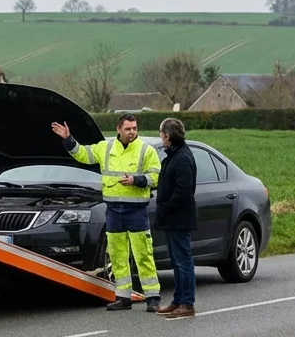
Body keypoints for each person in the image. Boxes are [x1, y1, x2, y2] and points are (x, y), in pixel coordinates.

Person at [50, 114, 163, 311]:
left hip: (136, 210)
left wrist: (137, 180)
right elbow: (83, 154)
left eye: (135, 128)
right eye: (128, 129)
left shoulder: (147, 151)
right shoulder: (106, 147)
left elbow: (156, 177)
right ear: (118, 129)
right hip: (113, 211)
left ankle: (153, 298)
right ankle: (123, 297)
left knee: (143, 254)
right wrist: (68, 139)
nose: (132, 132)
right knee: (117, 255)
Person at [154, 117, 197, 317]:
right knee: (176, 261)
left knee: (183, 261)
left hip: (179, 217)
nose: (160, 138)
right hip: (171, 218)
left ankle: (187, 303)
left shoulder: (183, 158)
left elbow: (183, 191)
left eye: (161, 134)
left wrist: (167, 207)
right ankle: (178, 300)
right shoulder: (173, 155)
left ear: (168, 136)